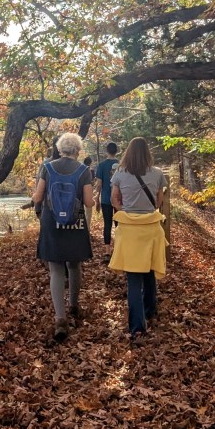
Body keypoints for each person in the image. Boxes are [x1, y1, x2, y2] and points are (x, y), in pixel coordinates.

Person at [32, 132, 94, 341]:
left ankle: (60, 318)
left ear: (59, 149)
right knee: (74, 265)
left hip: (51, 222)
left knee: (56, 269)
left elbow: (38, 197)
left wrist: (36, 198)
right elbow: (88, 202)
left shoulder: (47, 168)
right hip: (75, 222)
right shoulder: (84, 170)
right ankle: (74, 305)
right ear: (78, 151)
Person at [109, 137, 167, 343]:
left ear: (128, 153)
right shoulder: (158, 173)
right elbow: (159, 200)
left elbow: (113, 199)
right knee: (150, 269)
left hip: (130, 230)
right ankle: (150, 310)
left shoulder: (120, 174)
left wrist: (126, 210)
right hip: (151, 227)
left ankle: (137, 328)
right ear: (147, 153)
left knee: (133, 278)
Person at [93, 142, 119, 257]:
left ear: (107, 151)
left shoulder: (102, 165)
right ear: (116, 151)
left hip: (106, 199)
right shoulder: (121, 164)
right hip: (119, 199)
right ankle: (119, 249)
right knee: (120, 224)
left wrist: (97, 197)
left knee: (107, 224)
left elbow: (99, 184)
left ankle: (107, 252)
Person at [82, 156, 95, 228]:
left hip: (80, 193)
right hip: (89, 192)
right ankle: (87, 228)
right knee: (88, 211)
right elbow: (92, 182)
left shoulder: (79, 170)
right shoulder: (91, 171)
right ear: (90, 163)